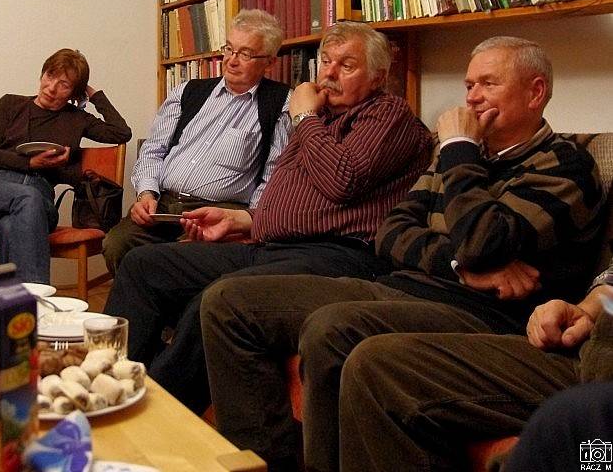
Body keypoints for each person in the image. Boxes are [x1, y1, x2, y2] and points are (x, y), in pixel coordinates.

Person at [200, 36, 607, 471]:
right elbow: (391, 232)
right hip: (406, 284)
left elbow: (483, 242)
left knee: (331, 329)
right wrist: (460, 266)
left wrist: (458, 150)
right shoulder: (460, 156)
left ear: (535, 92)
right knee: (228, 302)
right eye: (469, 85)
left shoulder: (562, 165)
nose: (472, 97)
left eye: (488, 84)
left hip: (482, 314)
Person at [104, 21, 433, 413]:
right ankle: (106, 384)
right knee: (143, 265)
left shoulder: (387, 114)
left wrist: (304, 118)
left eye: (346, 66)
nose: (329, 73)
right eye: (326, 61)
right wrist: (242, 222)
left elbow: (341, 180)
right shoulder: (324, 118)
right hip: (272, 245)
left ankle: (157, 415)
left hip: (338, 256)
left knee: (215, 298)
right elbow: (288, 195)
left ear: (378, 77)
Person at [337, 260, 613, 472]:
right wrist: (588, 309)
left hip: (491, 312)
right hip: (590, 345)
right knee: (373, 363)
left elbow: (484, 239)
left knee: (572, 419)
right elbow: (395, 232)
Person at [102, 9, 291, 273]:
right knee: (117, 243)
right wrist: (146, 193)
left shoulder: (280, 105)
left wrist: (248, 221)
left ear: (269, 63)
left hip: (217, 212)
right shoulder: (188, 92)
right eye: (229, 49)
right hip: (163, 206)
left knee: (174, 261)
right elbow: (153, 150)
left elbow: (272, 178)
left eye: (245, 54)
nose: (231, 60)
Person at [0, 48, 131, 284]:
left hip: (40, 198)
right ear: (42, 74)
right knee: (25, 200)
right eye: (50, 76)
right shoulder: (10, 104)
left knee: (11, 224)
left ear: (74, 93)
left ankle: (19, 302)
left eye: (64, 85)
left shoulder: (76, 118)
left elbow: (121, 132)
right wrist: (29, 162)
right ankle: (38, 299)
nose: (51, 88)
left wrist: (93, 94)